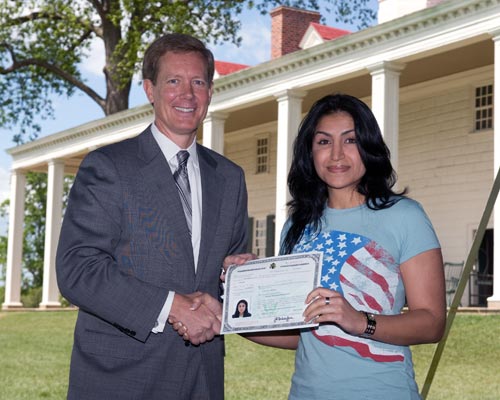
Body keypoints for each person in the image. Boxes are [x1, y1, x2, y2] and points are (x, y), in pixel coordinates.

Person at [56, 33, 249, 400]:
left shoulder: (230, 178)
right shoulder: (107, 167)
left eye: (198, 82)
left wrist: (242, 276)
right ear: (150, 89)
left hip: (203, 378)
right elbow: (77, 269)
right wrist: (171, 306)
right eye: (173, 81)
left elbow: (226, 276)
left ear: (210, 91)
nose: (187, 94)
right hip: (122, 379)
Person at [221, 93, 446, 399]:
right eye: (324, 142)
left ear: (368, 146)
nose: (337, 155)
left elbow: (432, 323)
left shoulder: (405, 216)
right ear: (309, 152)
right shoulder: (296, 224)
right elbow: (301, 333)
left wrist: (358, 321)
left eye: (350, 140)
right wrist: (236, 304)